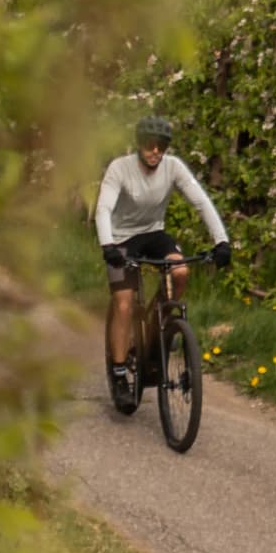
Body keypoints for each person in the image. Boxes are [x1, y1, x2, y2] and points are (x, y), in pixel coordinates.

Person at [93, 115, 230, 410]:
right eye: (149, 145)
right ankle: (120, 373)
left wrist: (222, 241)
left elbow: (201, 202)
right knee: (124, 304)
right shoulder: (120, 168)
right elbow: (103, 209)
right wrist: (107, 245)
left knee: (179, 272)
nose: (155, 151)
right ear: (139, 144)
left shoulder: (173, 167)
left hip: (154, 233)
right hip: (120, 239)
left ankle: (159, 326)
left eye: (161, 146)